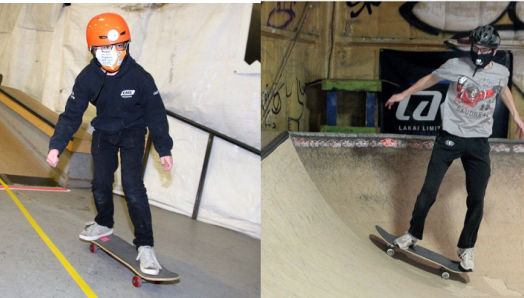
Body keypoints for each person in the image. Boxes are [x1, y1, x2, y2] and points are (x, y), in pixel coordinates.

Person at [385, 25, 524, 271]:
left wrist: (516, 116)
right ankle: (413, 234)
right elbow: (431, 78)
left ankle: (466, 248)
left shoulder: (501, 72)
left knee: (477, 199)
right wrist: (403, 94)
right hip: (449, 138)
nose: (478, 53)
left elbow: (504, 90)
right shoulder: (455, 65)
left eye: (484, 50)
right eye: (475, 48)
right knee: (428, 192)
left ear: (494, 51)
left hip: (479, 143)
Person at [46, 12, 173, 276]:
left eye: (118, 46)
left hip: (132, 132)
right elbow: (71, 114)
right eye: (104, 47)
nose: (112, 52)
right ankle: (103, 223)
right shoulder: (87, 78)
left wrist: (164, 148)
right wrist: (57, 145)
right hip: (103, 131)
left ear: (126, 45)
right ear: (92, 49)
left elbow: (156, 113)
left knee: (132, 186)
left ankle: (146, 245)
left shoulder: (140, 77)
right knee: (101, 182)